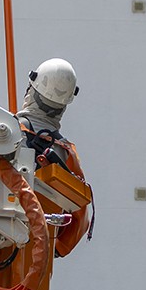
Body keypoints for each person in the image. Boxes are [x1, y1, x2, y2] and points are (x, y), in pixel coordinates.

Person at [16, 59, 92, 257]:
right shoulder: (65, 153)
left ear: (30, 88)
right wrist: (56, 249)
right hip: (36, 252)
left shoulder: (3, 131)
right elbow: (81, 213)